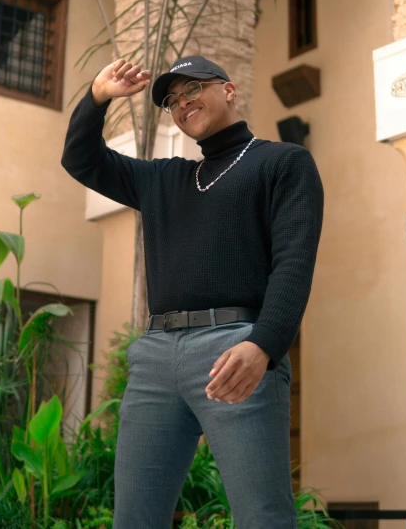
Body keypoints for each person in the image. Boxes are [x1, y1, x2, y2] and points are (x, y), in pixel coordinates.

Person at [61, 54, 324, 529]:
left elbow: (295, 262)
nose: (183, 104)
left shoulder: (283, 162)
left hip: (236, 347)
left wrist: (264, 344)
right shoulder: (164, 178)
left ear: (228, 89)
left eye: (193, 90)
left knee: (263, 516)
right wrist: (98, 96)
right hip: (156, 356)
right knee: (134, 519)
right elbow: (80, 159)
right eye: (174, 101)